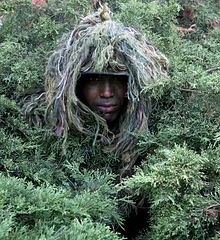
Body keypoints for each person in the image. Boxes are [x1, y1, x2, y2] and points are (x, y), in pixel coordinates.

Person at [44, 3, 168, 177]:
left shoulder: (156, 138)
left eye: (118, 79)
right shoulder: (51, 139)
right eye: (94, 80)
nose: (107, 92)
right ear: (76, 84)